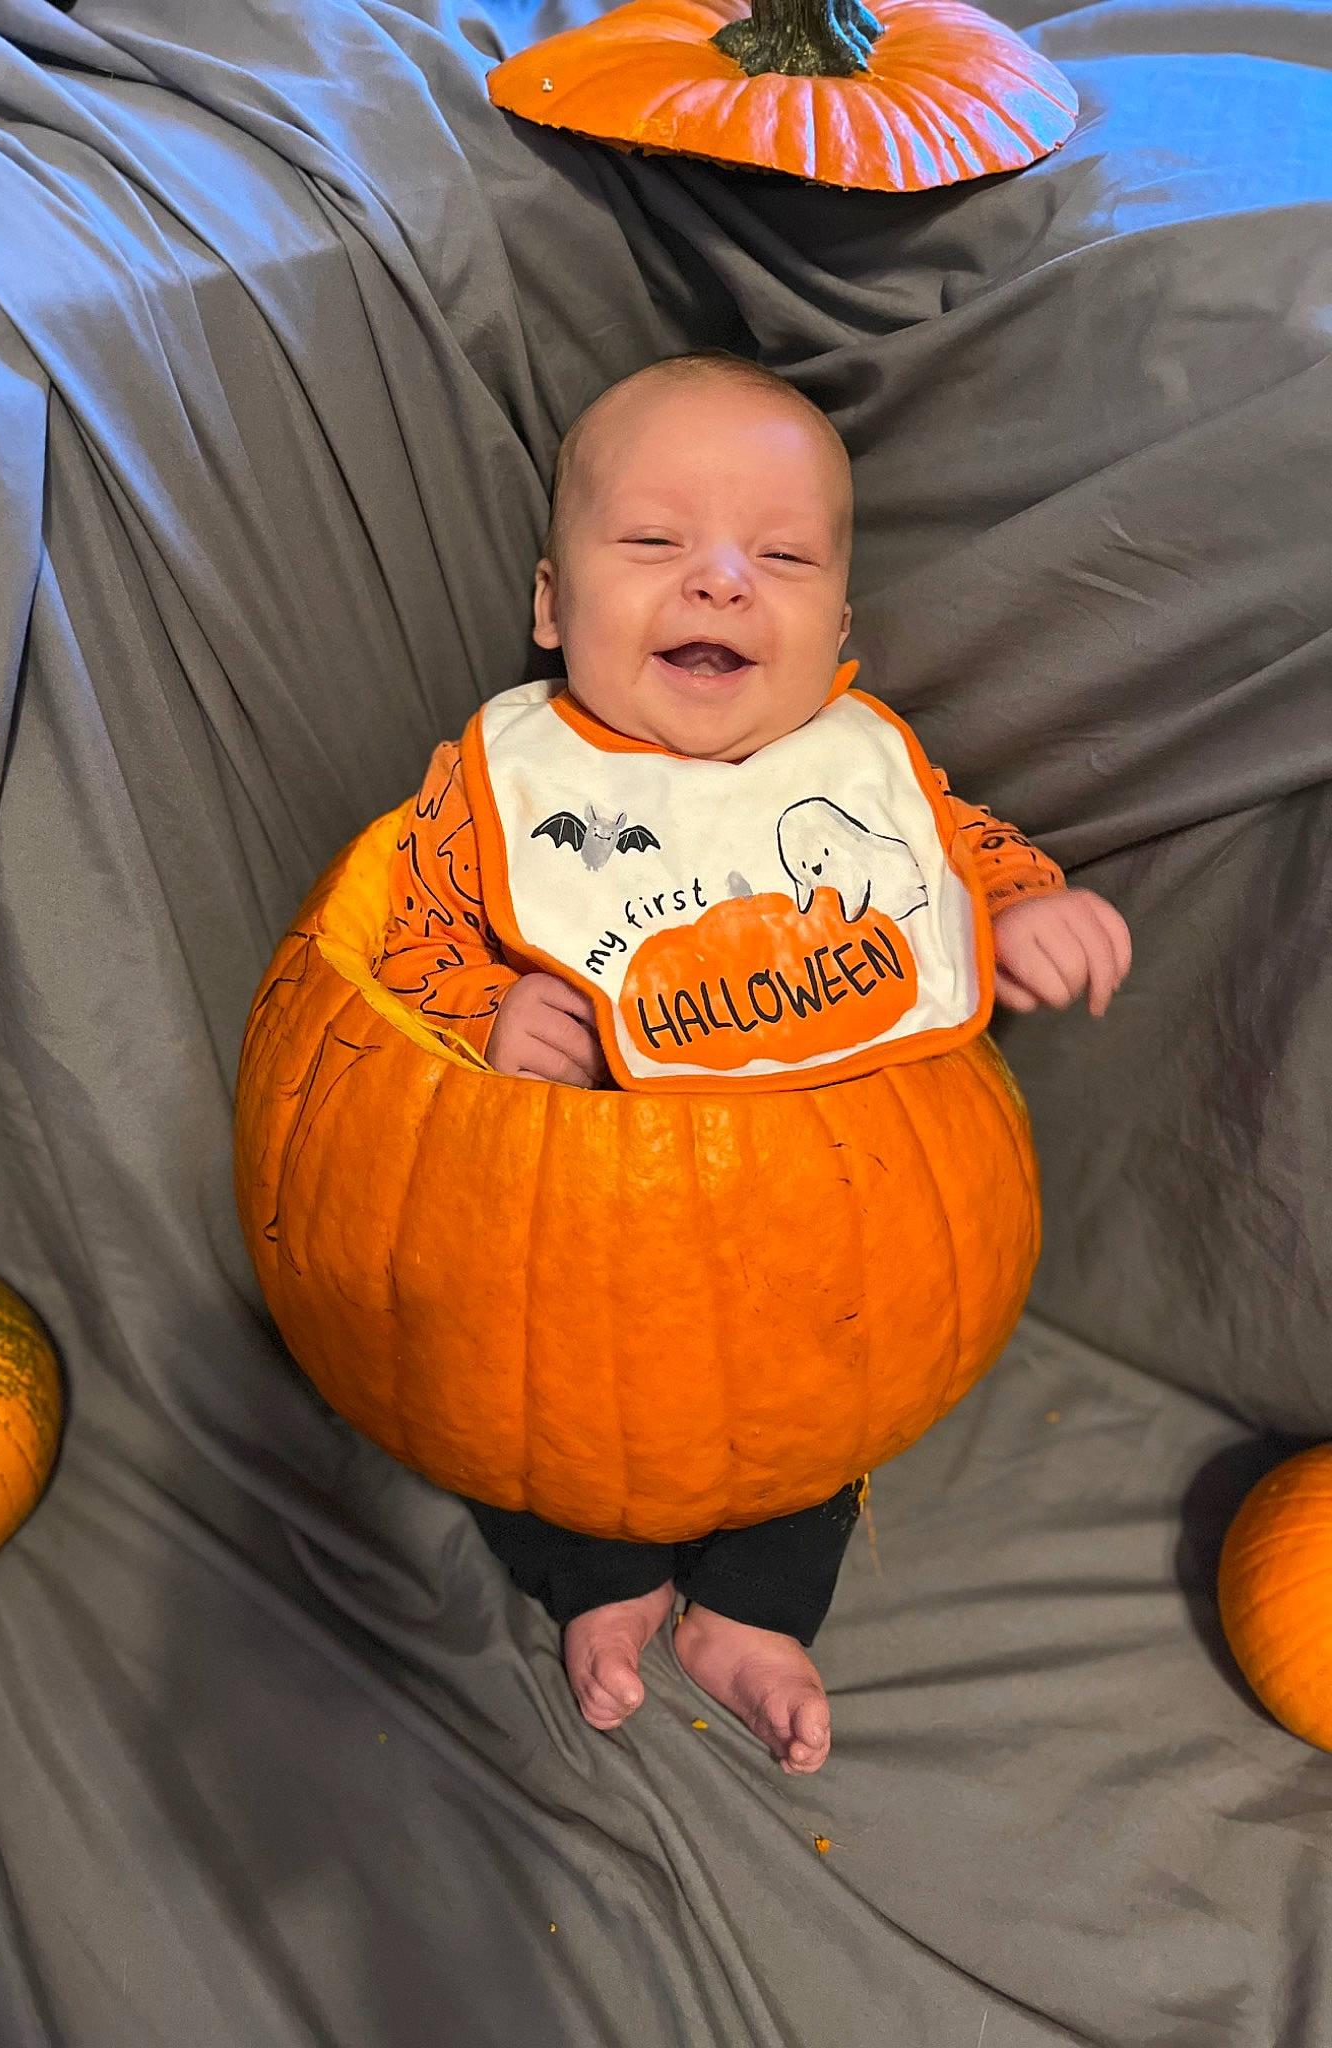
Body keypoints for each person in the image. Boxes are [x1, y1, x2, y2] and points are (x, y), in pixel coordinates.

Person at [375, 353, 1132, 1773]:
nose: (722, 579)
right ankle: (601, 1580)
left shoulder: (851, 776)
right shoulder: (503, 785)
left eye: (780, 556)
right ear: (551, 604)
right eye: (655, 541)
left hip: (820, 1243)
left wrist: (1026, 907)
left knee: (823, 1409)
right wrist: (482, 1011)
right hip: (571, 1247)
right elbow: (400, 945)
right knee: (516, 1401)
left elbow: (960, 859)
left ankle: (754, 1612)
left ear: (836, 624)